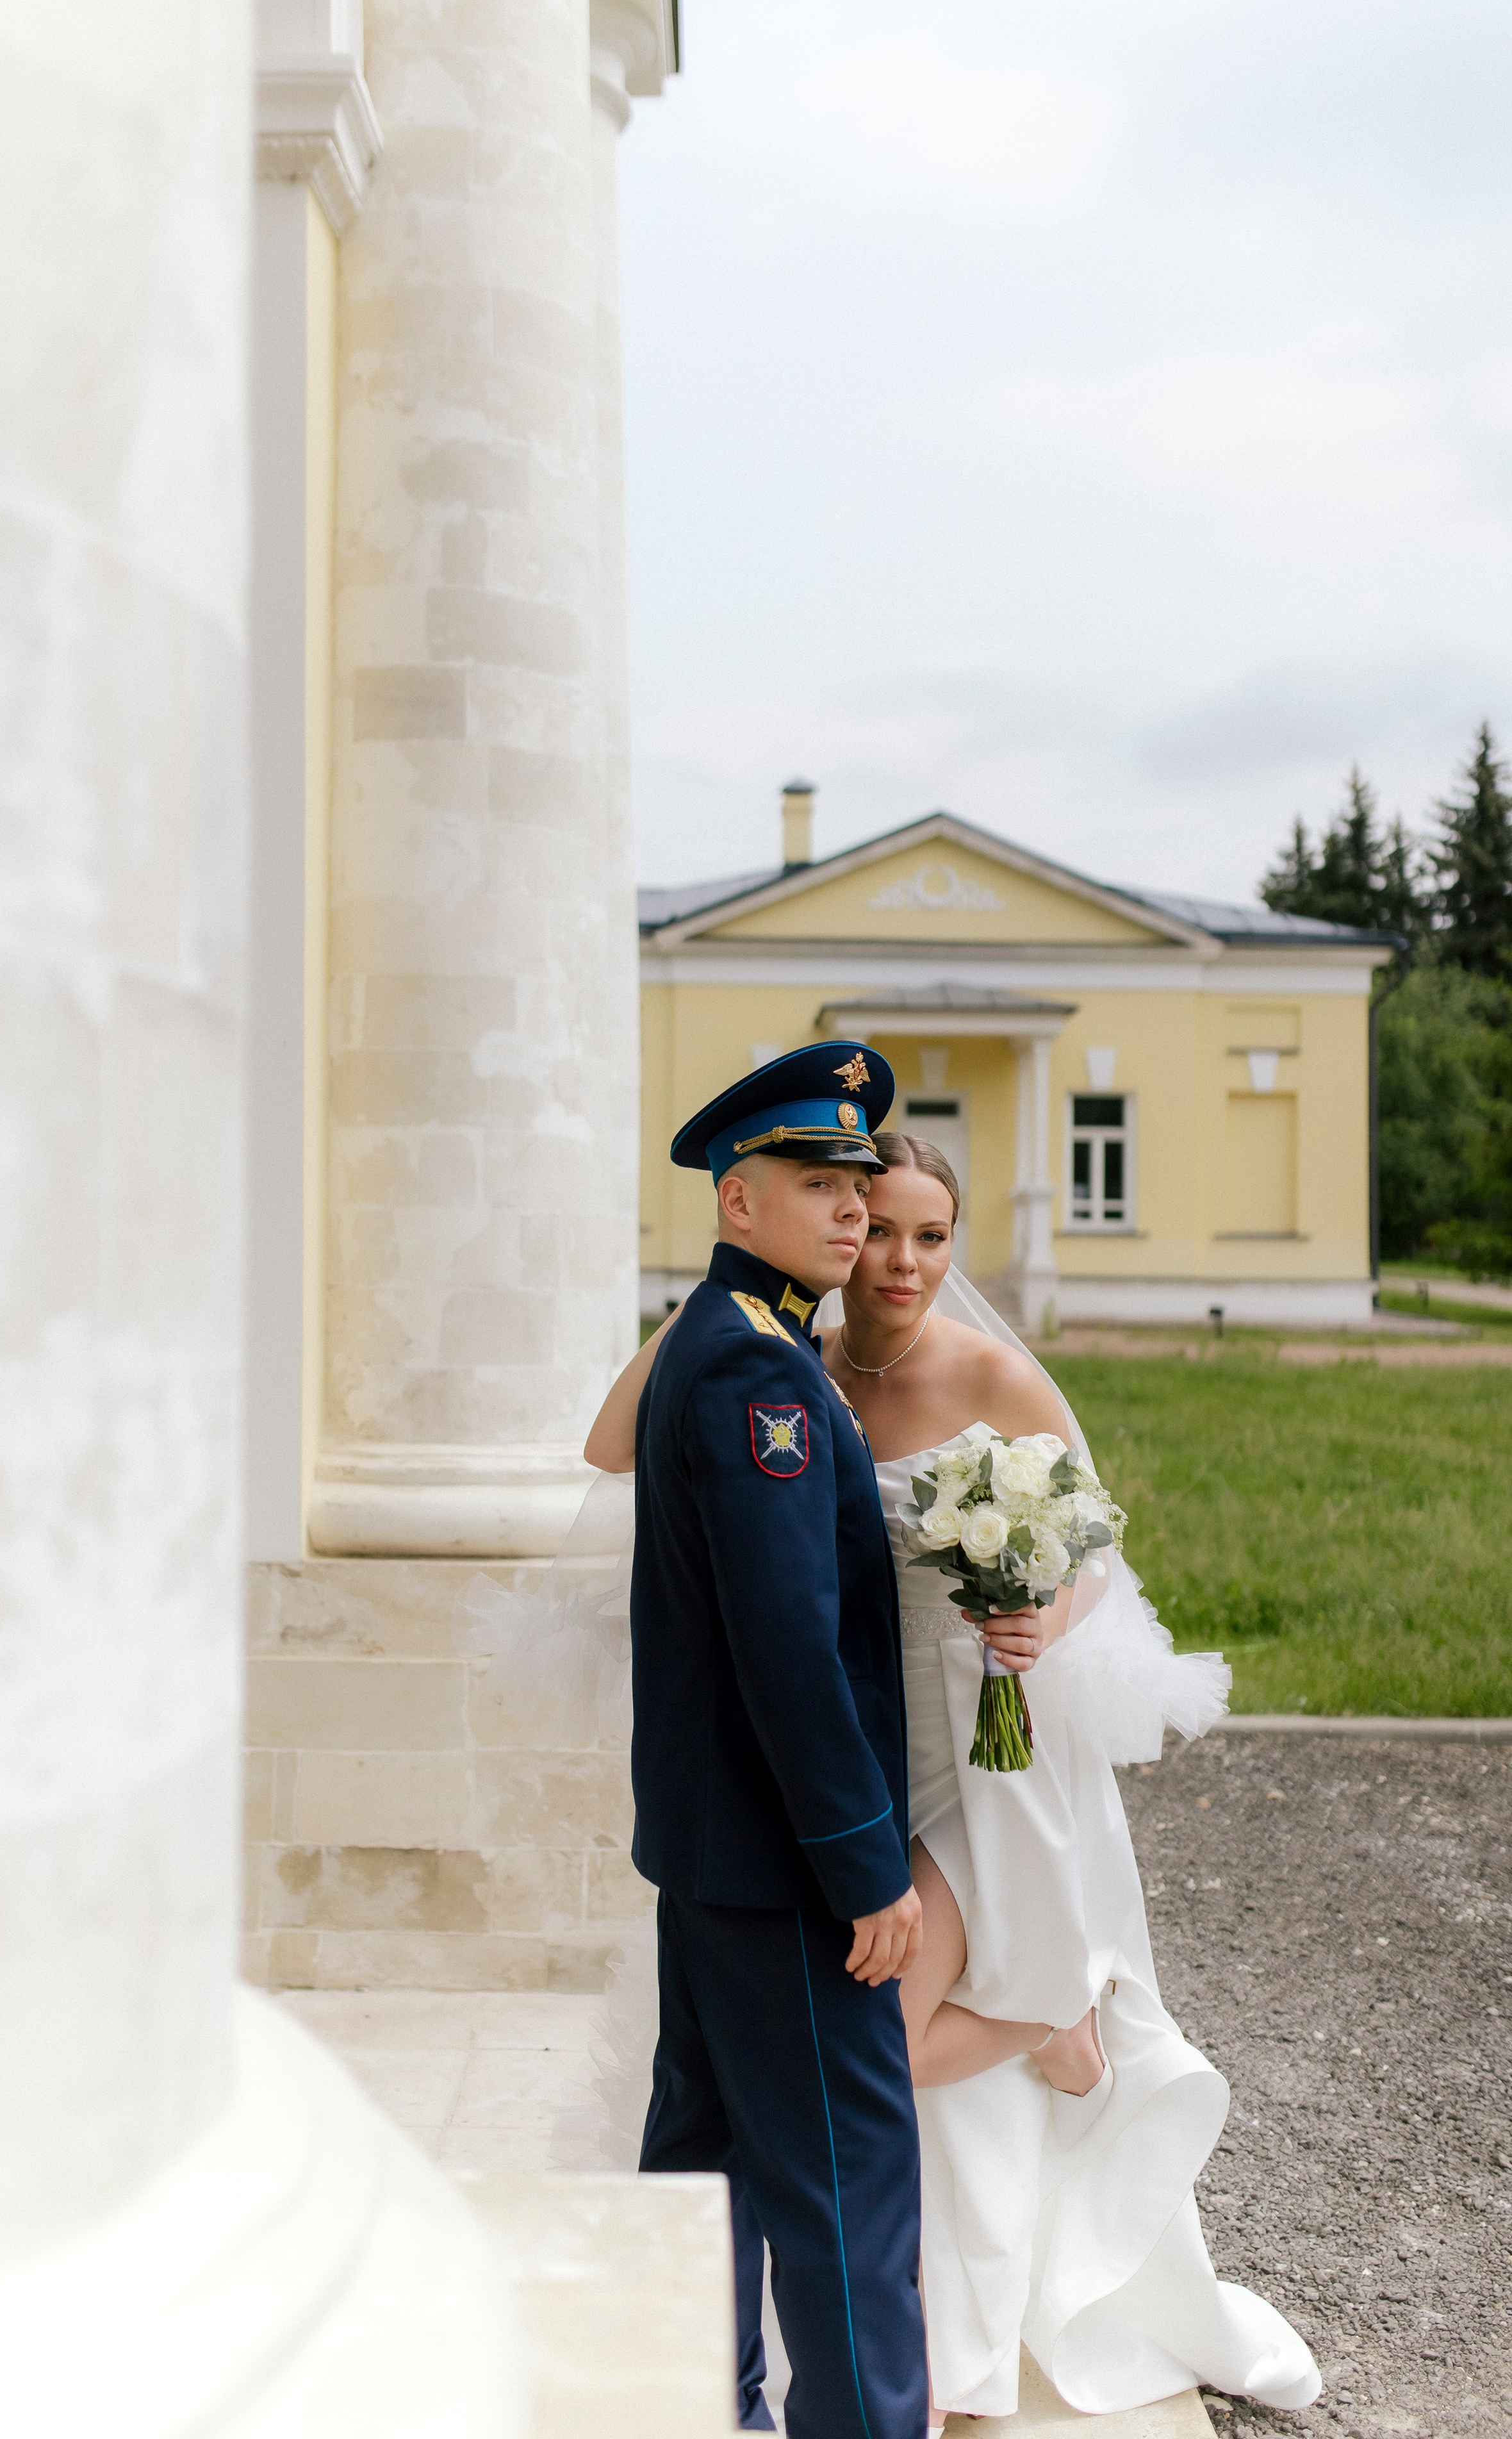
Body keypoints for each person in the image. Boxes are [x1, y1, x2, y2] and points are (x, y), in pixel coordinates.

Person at [579, 1129, 1321, 2423]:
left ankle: (1052, 2025)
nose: (903, 1259)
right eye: (879, 1228)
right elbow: (611, 1445)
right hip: (865, 1753)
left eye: (930, 1236)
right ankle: (1033, 2079)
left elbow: (1090, 1542)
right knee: (857, 2060)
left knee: (883, 2034)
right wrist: (709, 1296)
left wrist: (1047, 1613)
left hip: (987, 1749)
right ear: (841, 1232)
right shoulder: (778, 1361)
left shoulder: (990, 1369)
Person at [627, 1041, 927, 2439]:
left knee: (703, 2166)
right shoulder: (757, 1386)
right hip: (781, 1865)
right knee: (844, 2180)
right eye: (818, 1183)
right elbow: (787, 1649)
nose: (853, 1210)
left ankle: (689, 2411)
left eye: (857, 1184)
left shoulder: (727, 1344)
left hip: (712, 1850)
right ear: (735, 1202)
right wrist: (863, 1866)